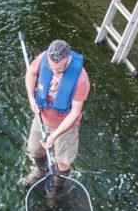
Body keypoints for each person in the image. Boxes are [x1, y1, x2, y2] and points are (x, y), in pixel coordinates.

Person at [22, 39, 90, 188]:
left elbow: (75, 112)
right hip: (42, 118)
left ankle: (57, 188)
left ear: (68, 60)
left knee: (63, 162)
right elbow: (31, 73)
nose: (54, 72)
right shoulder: (43, 58)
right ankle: (41, 170)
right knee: (35, 150)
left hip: (65, 125)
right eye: (51, 67)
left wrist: (54, 135)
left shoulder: (81, 79)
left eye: (58, 69)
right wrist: (31, 98)